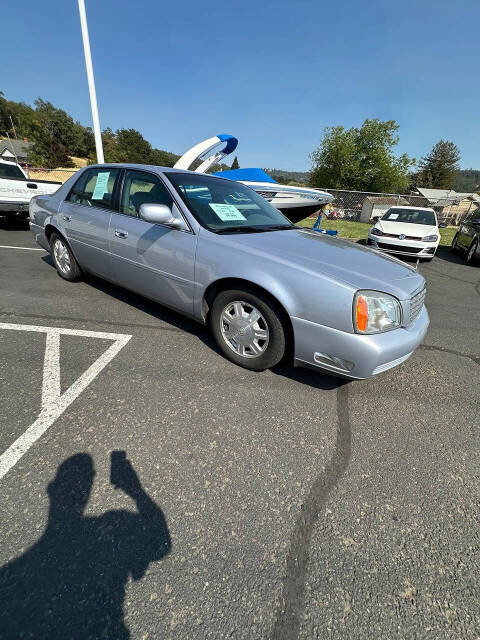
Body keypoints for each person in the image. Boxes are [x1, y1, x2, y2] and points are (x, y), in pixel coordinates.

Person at [0, 453, 171, 639]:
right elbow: (160, 542)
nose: (79, 488)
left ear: (51, 489)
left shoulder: (10, 578)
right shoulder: (108, 529)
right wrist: (135, 489)